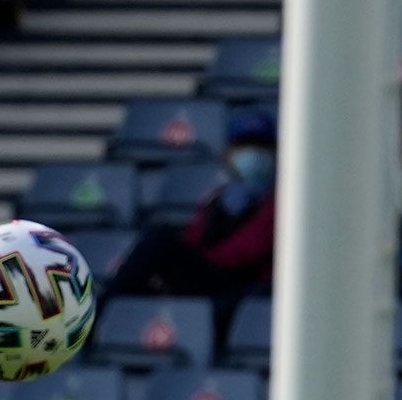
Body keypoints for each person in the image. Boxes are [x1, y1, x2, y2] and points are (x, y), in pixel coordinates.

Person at [107, 109, 276, 315]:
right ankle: (104, 312)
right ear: (229, 154)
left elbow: (249, 251)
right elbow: (194, 237)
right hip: (207, 279)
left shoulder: (280, 202)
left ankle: (102, 307)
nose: (252, 153)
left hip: (240, 287)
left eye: (260, 146)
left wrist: (195, 261)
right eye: (244, 146)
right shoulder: (219, 198)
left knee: (161, 239)